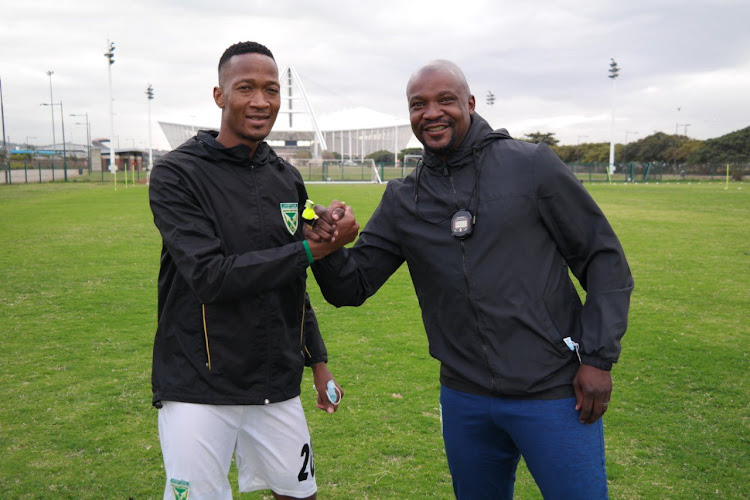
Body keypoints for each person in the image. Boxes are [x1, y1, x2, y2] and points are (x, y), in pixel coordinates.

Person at [311, 60, 634, 499]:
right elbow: (350, 288)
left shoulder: (531, 166)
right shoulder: (404, 198)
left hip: (553, 391)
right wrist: (326, 247)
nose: (432, 113)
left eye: (445, 100)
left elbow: (603, 259)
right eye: (418, 104)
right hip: (465, 399)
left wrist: (598, 357)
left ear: (470, 103)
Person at [148, 41, 356, 500]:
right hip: (198, 384)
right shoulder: (176, 174)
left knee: (299, 494)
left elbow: (293, 280)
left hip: (274, 381)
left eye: (272, 89)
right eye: (246, 88)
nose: (261, 101)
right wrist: (310, 250)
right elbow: (210, 276)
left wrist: (317, 363)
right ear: (220, 95)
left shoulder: (286, 178)